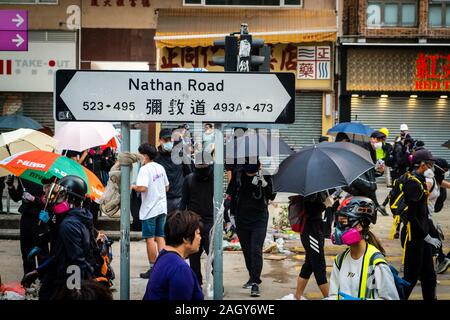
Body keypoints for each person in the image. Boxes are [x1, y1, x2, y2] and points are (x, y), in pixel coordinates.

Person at [21, 175, 97, 300]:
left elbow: (76, 262)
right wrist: (38, 271)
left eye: (61, 196)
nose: (56, 199)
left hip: (67, 279)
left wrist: (74, 291)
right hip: (63, 273)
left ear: (71, 199)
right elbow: (60, 252)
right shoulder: (80, 216)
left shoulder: (69, 225)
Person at [328, 196, 399, 300]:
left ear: (359, 226)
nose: (338, 229)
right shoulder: (339, 260)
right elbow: (333, 295)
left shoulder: (376, 263)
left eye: (343, 222)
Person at [225, 160, 276, 297]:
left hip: (259, 218)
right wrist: (230, 215)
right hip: (242, 219)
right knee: (247, 251)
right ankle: (252, 276)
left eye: (253, 171)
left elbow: (272, 195)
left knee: (255, 250)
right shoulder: (237, 174)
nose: (250, 174)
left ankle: (255, 283)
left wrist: (264, 184)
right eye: (249, 172)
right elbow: (231, 195)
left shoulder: (265, 174)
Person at [401, 148, 440, 300]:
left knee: (429, 277)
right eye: (430, 164)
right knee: (410, 278)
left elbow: (423, 214)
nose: (431, 168)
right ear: (422, 164)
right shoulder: (413, 183)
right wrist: (426, 236)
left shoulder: (420, 181)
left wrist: (429, 234)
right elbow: (411, 216)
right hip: (414, 238)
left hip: (422, 236)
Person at [143, 210, 203, 300]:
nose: (200, 238)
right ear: (186, 238)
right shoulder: (180, 269)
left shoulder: (164, 256)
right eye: (198, 233)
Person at [131, 143, 169, 279]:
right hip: (162, 207)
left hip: (149, 209)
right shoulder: (160, 167)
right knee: (160, 236)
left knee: (149, 239)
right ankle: (164, 266)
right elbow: (167, 187)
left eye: (141, 154)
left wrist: (132, 187)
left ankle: (153, 268)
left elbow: (142, 188)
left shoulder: (144, 169)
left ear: (145, 155)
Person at [6, 175, 49, 280]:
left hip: (40, 217)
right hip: (26, 217)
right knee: (26, 250)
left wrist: (34, 199)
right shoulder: (24, 176)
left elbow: (48, 200)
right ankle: (29, 278)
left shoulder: (47, 176)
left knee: (42, 251)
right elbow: (17, 197)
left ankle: (44, 279)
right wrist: (11, 186)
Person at [179, 156, 213, 286]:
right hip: (194, 222)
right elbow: (183, 203)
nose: (203, 170)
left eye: (205, 167)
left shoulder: (214, 179)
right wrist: (182, 222)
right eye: (200, 167)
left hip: (210, 222)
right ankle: (196, 282)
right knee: (194, 255)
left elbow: (219, 201)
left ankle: (216, 282)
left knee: (213, 255)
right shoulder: (189, 179)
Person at [292, 192, 329, 300]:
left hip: (313, 230)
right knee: (319, 265)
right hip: (311, 232)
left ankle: (297, 296)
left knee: (309, 265)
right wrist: (326, 205)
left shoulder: (317, 188)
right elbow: (311, 210)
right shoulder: (311, 191)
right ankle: (328, 297)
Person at [155, 128, 192, 217]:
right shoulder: (156, 158)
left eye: (170, 139)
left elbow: (189, 174)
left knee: (179, 226)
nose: (168, 142)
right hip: (162, 199)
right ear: (160, 141)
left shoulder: (181, 155)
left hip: (179, 198)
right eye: (165, 140)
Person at [424, 158, 450, 274]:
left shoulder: (435, 179)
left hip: (426, 216)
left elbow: (443, 183)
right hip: (423, 216)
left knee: (433, 239)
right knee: (433, 238)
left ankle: (441, 259)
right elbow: (421, 194)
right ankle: (441, 259)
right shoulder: (429, 180)